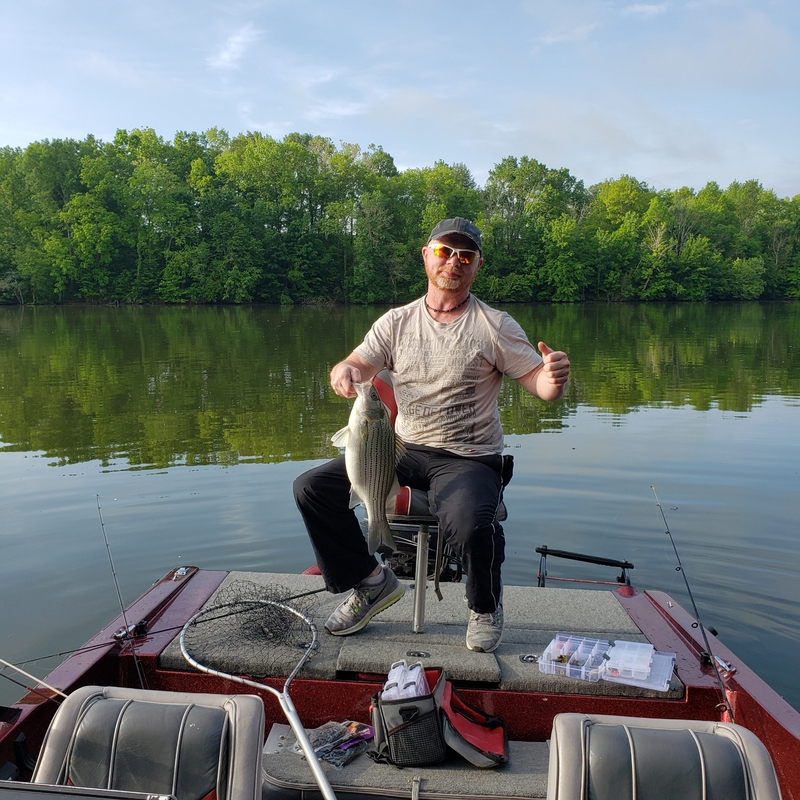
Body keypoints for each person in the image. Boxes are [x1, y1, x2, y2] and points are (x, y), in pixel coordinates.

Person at [293, 217, 570, 652]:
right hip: (400, 449)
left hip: (468, 456)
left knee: (469, 523)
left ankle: (484, 606)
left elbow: (540, 385)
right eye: (444, 251)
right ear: (426, 256)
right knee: (312, 488)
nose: (453, 262)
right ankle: (370, 581)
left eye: (466, 255)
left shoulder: (494, 325)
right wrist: (343, 371)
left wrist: (554, 379)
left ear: (477, 265)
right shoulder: (396, 322)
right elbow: (357, 364)